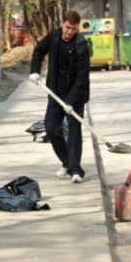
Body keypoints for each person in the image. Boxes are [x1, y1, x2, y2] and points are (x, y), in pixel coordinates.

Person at [29, 10, 90, 184]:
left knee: (74, 131)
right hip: (55, 92)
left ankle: (76, 170)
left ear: (78, 28)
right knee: (51, 128)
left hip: (75, 95)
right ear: (62, 24)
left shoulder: (81, 44)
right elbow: (39, 51)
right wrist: (34, 71)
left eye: (74, 29)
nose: (70, 32)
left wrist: (71, 102)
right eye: (68, 27)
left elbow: (82, 76)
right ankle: (67, 162)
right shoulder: (54, 37)